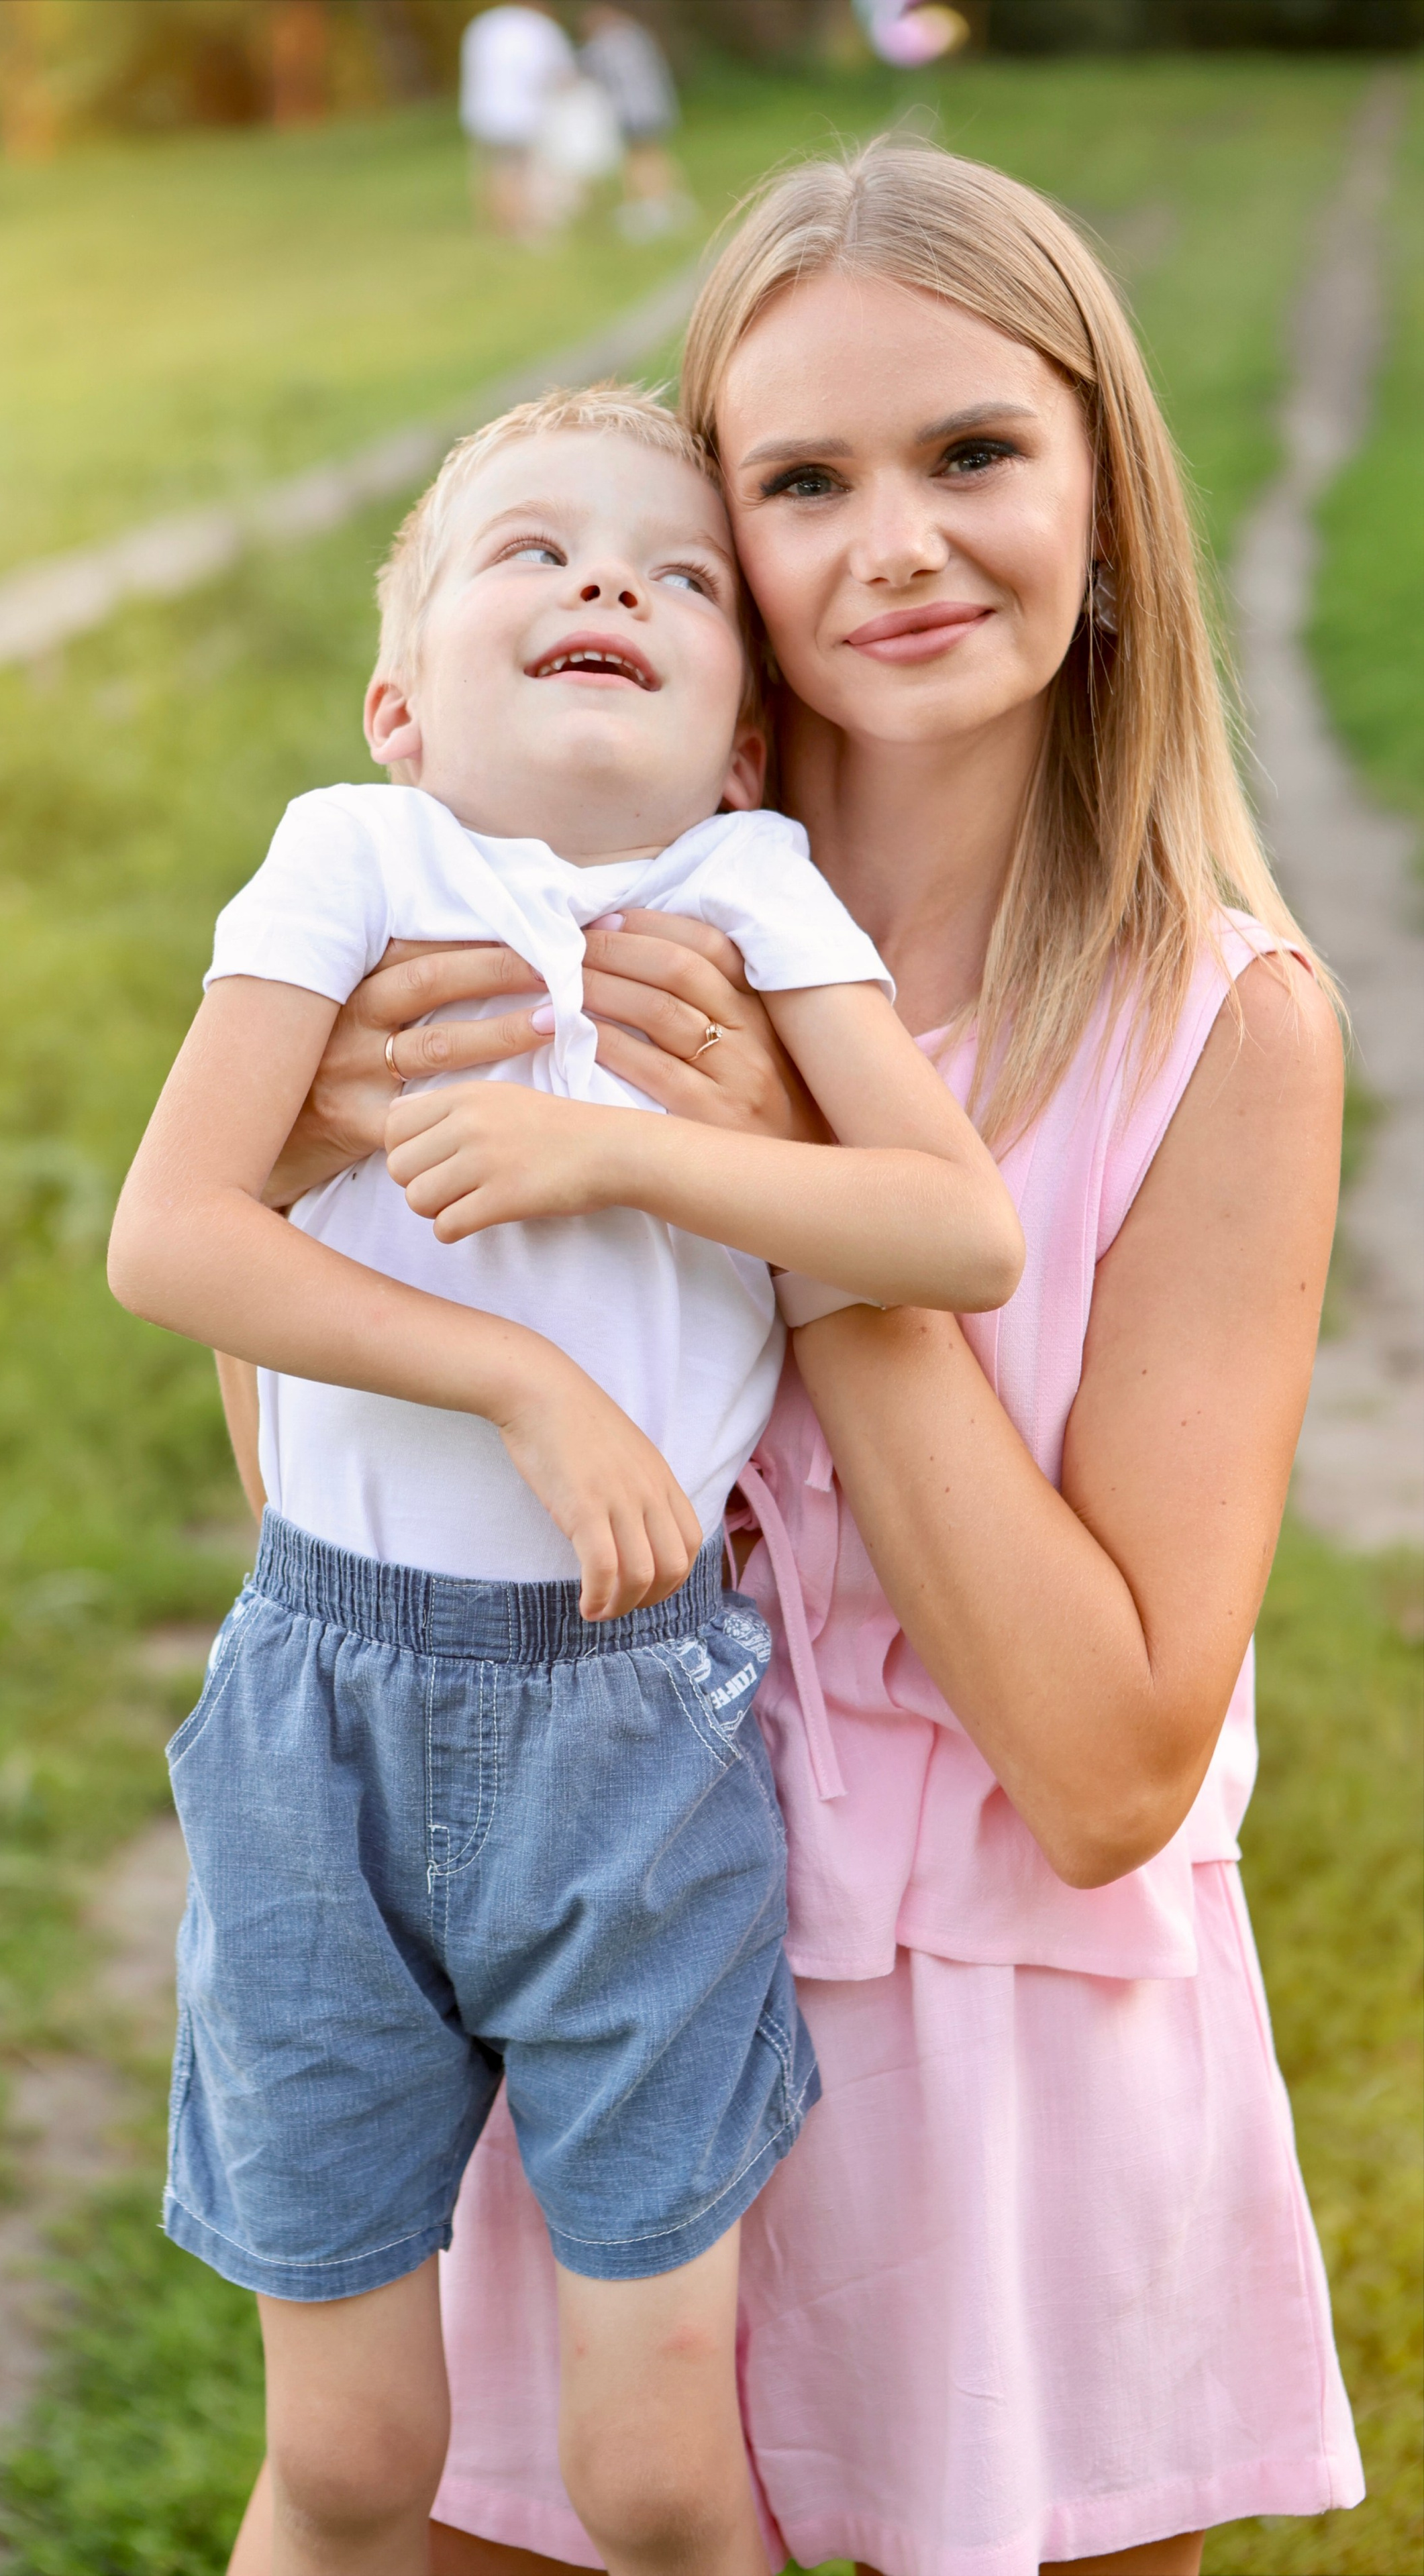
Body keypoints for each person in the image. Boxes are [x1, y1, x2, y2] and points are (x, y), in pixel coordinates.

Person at [222, 139, 1362, 2576]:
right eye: (800, 480)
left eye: (972, 453)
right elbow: (305, 1482)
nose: (895, 545)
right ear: (709, 537)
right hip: (588, 1924)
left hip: (1007, 2029)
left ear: (1102, 491)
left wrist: (777, 1208)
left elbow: (1096, 1768)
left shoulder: (1212, 1034)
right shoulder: (534, 927)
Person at [109, 379, 1024, 2576]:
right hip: (322, 1709)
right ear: (399, 699)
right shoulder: (350, 854)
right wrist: (523, 1381)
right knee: (349, 2462)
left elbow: (958, 1230)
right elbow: (175, 1234)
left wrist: (620, 1146)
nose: (609, 576)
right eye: (534, 548)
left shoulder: (754, 883)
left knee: (653, 2477)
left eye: (682, 574)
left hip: (632, 1739)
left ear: (739, 734)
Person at [459, 5, 575, 239]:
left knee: (493, 169)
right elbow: (560, 74)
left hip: (482, 111)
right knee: (519, 171)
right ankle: (521, 225)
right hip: (522, 113)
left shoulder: (484, 23)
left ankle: (499, 224)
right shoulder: (540, 28)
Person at [579, 8, 691, 241]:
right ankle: (667, 201)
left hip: (633, 111)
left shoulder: (610, 42)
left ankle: (653, 206)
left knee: (641, 158)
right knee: (652, 154)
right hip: (652, 106)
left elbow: (587, 69)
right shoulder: (634, 35)